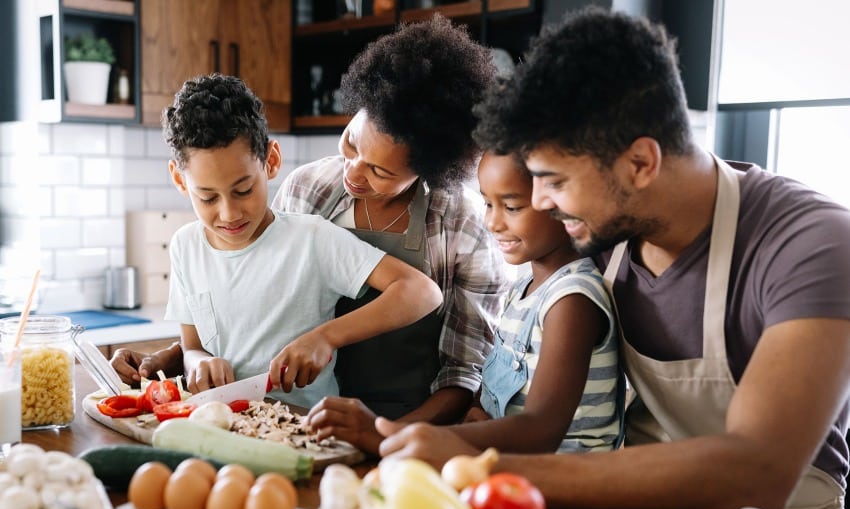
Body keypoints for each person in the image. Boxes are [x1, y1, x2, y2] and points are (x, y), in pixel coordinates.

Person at [377, 6, 850, 509]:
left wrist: (481, 465)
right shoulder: (604, 234)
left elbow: (755, 475)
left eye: (554, 181)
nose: (541, 203)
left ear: (641, 164)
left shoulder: (815, 243)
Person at [272, 15, 510, 453]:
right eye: (350, 144)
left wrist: (387, 438)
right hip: (300, 422)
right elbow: (265, 310)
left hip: (409, 428)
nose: (353, 174)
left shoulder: (462, 222)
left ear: (430, 169)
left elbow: (464, 372)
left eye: (380, 171)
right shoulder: (307, 191)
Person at [156, 73, 441, 408]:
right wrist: (198, 362)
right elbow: (191, 346)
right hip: (219, 423)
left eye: (243, 190)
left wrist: (326, 337)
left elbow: (422, 292)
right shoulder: (184, 246)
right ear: (179, 179)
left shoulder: (312, 239)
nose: (229, 213)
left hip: (303, 430)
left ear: (272, 161)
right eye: (207, 198)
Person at [445, 150, 623, 453]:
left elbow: (541, 429)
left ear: (566, 204)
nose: (491, 222)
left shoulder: (572, 300)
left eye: (511, 207)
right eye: (488, 204)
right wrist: (478, 411)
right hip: (514, 462)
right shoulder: (523, 288)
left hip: (570, 481)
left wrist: (438, 438)